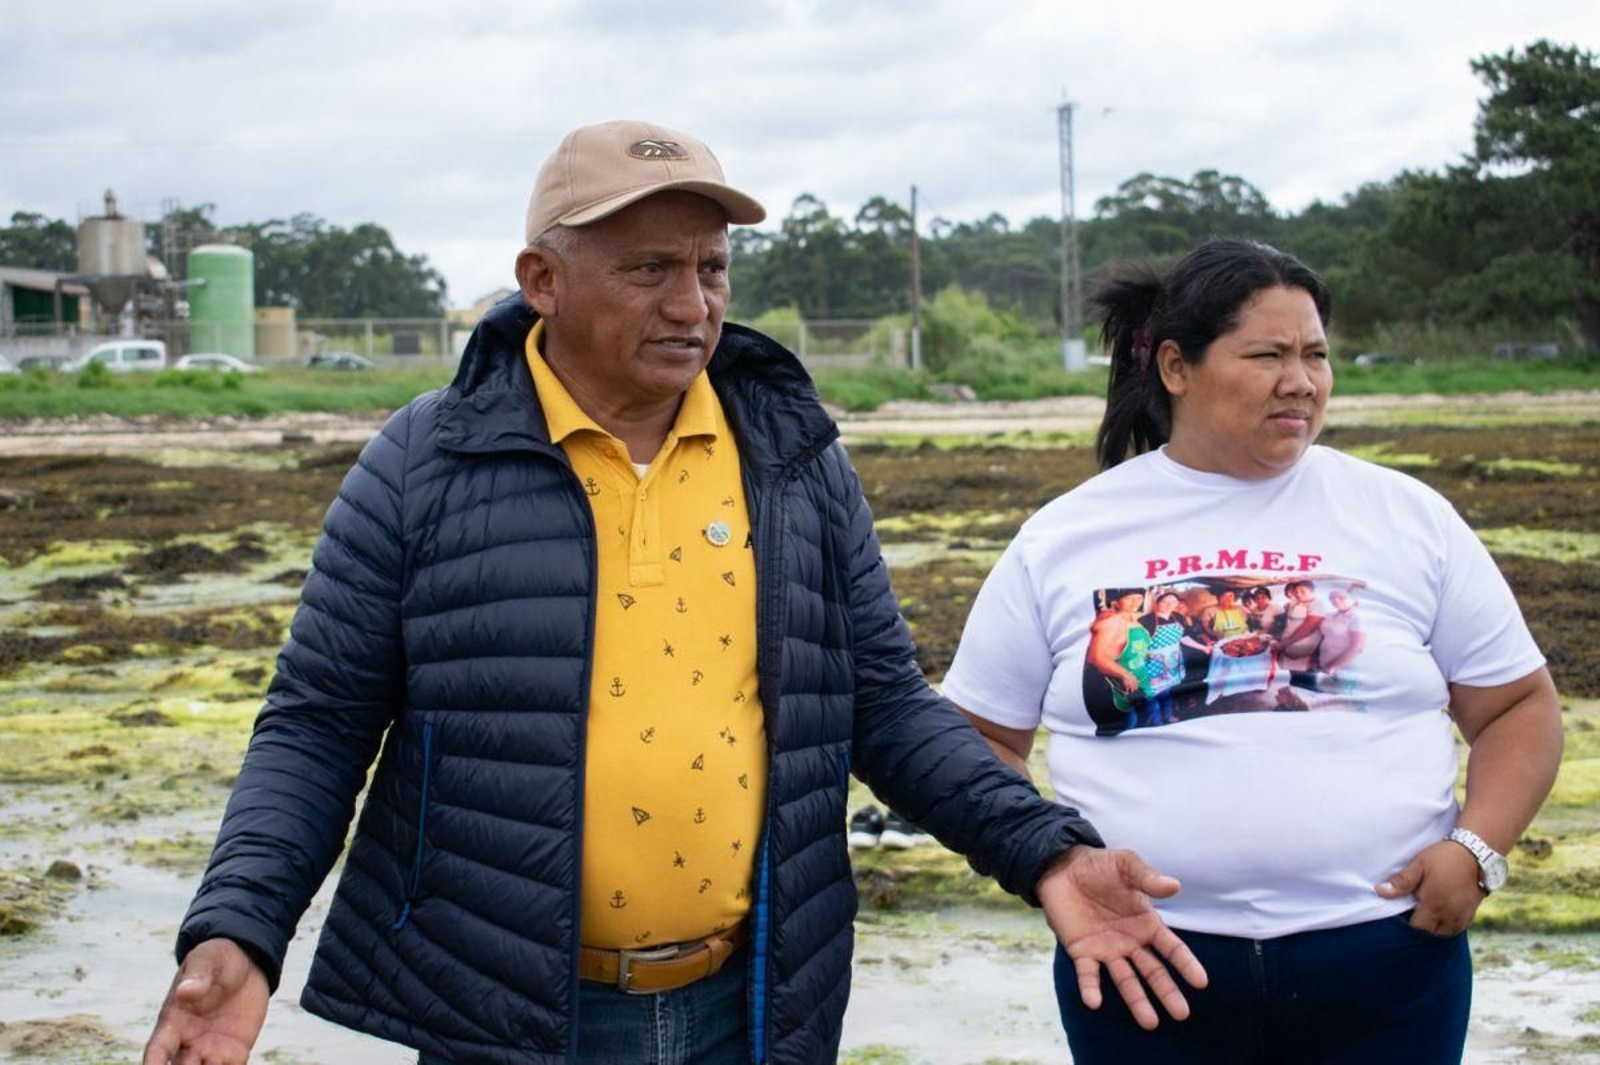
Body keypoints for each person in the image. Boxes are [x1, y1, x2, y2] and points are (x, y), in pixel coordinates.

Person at [142, 120, 1203, 1065]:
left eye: (710, 267)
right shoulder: (422, 464)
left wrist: (1046, 851)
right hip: (505, 1015)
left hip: (746, 1006)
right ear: (540, 281)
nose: (691, 304)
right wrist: (241, 926)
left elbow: (882, 703)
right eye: (649, 268)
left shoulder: (791, 458)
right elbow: (317, 725)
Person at [941, 239, 1563, 1063]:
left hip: (1386, 957)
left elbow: (1517, 706)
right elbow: (974, 740)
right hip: (1142, 960)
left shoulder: (1407, 516)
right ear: (1174, 365)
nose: (1301, 380)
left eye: (1315, 354)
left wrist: (1478, 849)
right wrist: (1054, 862)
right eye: (1268, 354)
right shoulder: (1065, 535)